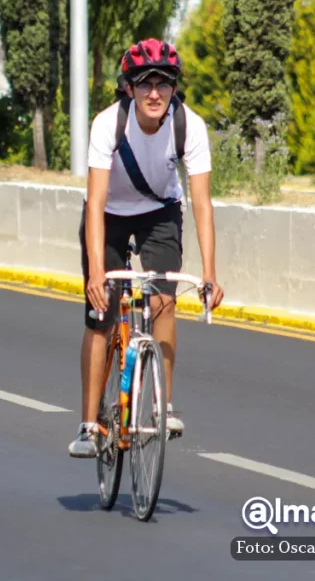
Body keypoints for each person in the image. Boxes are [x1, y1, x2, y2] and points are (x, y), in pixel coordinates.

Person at [68, 39, 225, 458]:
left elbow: (202, 204)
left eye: (163, 83)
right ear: (129, 88)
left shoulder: (189, 126)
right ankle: (88, 425)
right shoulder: (107, 124)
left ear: (174, 88)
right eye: (144, 83)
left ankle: (162, 408)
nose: (154, 93)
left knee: (164, 303)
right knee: (101, 314)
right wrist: (97, 273)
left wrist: (210, 273)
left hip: (159, 211)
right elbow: (97, 202)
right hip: (110, 216)